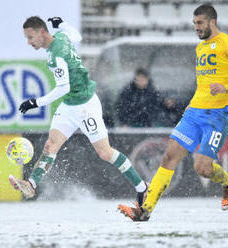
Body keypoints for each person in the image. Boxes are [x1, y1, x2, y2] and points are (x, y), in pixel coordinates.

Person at [118, 4, 228, 221]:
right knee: (168, 157)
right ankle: (144, 210)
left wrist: (227, 86)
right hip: (195, 112)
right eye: (194, 24)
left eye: (200, 23)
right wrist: (193, 103)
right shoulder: (200, 48)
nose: (196, 28)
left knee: (202, 168)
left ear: (212, 22)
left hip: (217, 116)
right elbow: (204, 83)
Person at [9, 16, 148, 207]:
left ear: (42, 32)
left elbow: (63, 87)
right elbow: (77, 36)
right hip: (69, 106)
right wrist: (62, 24)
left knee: (105, 153)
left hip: (85, 105)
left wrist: (36, 102)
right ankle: (31, 184)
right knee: (51, 145)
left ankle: (142, 188)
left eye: (31, 37)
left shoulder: (56, 56)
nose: (29, 42)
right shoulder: (62, 37)